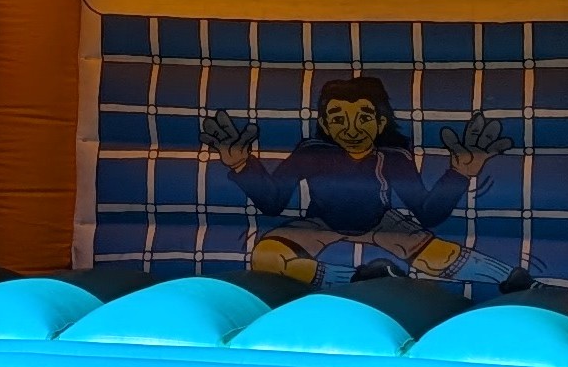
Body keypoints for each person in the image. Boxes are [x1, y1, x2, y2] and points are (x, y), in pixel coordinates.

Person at [197, 78, 521, 288]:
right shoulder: (312, 153)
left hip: (381, 222)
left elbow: (427, 212)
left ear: (380, 122)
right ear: (324, 123)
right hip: (320, 222)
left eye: (364, 117)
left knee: (438, 252)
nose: (351, 129)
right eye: (338, 118)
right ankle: (361, 280)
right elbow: (273, 202)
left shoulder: (391, 158)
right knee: (267, 255)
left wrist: (460, 173)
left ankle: (511, 280)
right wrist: (241, 163)